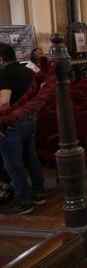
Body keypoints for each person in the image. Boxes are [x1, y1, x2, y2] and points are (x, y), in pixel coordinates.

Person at [0, 44, 45, 214]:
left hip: (12, 124)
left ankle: (24, 201)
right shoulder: (28, 71)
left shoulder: (4, 74)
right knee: (31, 157)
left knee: (13, 164)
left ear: (1, 59)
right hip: (30, 120)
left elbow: (4, 102)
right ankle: (39, 193)